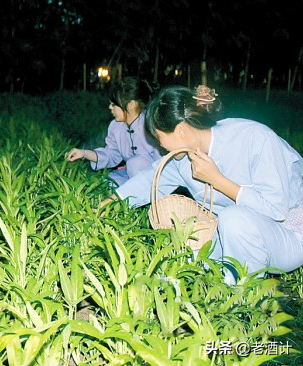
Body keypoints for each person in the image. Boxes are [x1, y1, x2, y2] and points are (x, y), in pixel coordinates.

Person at [99, 84, 303, 284]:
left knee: (233, 218)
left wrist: (218, 180)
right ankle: (222, 276)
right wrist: (112, 201)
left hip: (289, 233)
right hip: (236, 235)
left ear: (180, 131)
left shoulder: (254, 137)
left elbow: (276, 209)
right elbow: (152, 179)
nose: (160, 145)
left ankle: (244, 291)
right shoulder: (184, 158)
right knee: (181, 263)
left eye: (160, 137)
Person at [66, 76, 162, 187]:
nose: (110, 107)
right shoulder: (115, 126)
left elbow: (161, 161)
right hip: (131, 174)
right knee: (108, 182)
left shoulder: (151, 124)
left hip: (155, 178)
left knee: (135, 164)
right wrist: (83, 153)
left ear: (131, 105)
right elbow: (111, 155)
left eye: (114, 104)